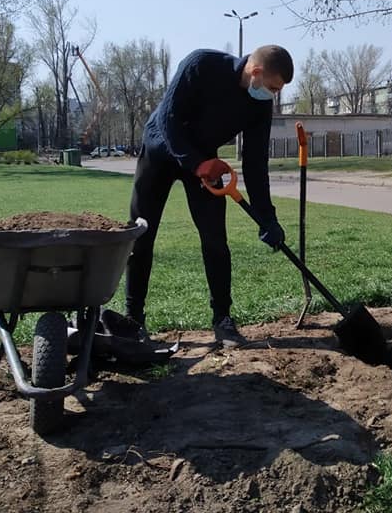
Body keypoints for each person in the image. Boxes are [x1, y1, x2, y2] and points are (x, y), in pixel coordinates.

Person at [124, 45, 294, 348]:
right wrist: (196, 163)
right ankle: (133, 319)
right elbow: (168, 120)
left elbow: (256, 164)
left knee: (215, 239)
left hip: (205, 162)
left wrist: (267, 216)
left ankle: (222, 320)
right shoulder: (201, 64)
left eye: (277, 91)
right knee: (141, 234)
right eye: (272, 88)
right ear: (255, 72)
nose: (273, 95)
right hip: (160, 151)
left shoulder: (260, 106)